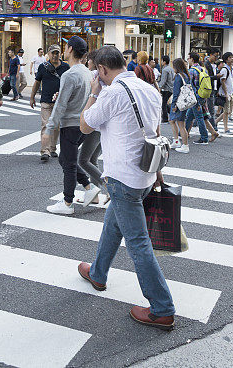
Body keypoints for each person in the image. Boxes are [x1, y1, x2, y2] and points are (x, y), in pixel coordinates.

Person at [78, 45, 175, 330]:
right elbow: (155, 133)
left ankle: (162, 308)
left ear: (104, 69)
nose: (98, 76)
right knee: (113, 224)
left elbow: (85, 125)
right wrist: (158, 171)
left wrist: (94, 92)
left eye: (98, 72)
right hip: (145, 174)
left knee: (138, 243)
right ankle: (98, 273)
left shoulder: (111, 93)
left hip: (123, 179)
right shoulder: (150, 90)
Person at [46, 36, 97, 214]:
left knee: (68, 164)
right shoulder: (86, 72)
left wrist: (49, 128)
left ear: (70, 49)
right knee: (65, 159)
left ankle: (67, 203)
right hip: (83, 123)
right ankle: (90, 188)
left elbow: (60, 105)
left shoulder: (69, 74)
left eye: (66, 47)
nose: (64, 50)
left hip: (70, 124)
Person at [76, 51, 108, 206]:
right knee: (92, 159)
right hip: (104, 125)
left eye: (88, 60)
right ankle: (94, 194)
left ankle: (109, 188)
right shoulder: (106, 77)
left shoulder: (93, 75)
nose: (87, 63)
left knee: (82, 160)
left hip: (93, 123)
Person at [30, 44, 69, 161]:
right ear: (48, 54)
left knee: (56, 127)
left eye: (57, 53)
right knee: (46, 125)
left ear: (60, 54)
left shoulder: (66, 67)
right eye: (53, 53)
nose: (55, 55)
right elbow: (37, 82)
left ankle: (52, 148)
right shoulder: (43, 67)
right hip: (46, 101)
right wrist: (32, 97)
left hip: (60, 102)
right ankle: (45, 151)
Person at [185, 52, 219, 144]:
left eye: (188, 58)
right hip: (203, 95)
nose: (188, 60)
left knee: (199, 117)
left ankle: (204, 138)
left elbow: (189, 85)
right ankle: (183, 134)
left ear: (192, 59)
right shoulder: (203, 69)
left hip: (195, 96)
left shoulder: (191, 70)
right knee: (190, 115)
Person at [168, 57, 190, 154]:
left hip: (179, 103)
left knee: (181, 124)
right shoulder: (186, 75)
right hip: (184, 102)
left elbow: (176, 92)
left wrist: (173, 105)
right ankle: (176, 141)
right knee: (172, 120)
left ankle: (185, 145)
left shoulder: (178, 76)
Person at [216, 52, 233, 135]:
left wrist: (232, 91)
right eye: (230, 57)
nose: (232, 59)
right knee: (226, 111)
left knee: (228, 111)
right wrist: (226, 93)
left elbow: (231, 81)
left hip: (230, 93)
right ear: (227, 59)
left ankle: (215, 122)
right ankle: (226, 128)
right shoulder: (224, 69)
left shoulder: (230, 69)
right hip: (225, 94)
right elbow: (223, 82)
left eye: (232, 57)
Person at [158, 55, 174, 123]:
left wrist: (159, 87)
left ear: (164, 61)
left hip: (166, 89)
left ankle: (165, 118)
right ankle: (172, 114)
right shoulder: (171, 69)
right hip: (171, 88)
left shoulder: (165, 70)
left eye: (161, 60)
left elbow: (163, 81)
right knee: (165, 103)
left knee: (163, 103)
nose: (161, 62)